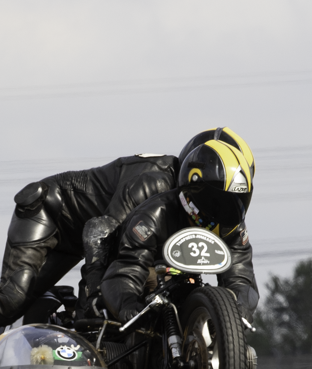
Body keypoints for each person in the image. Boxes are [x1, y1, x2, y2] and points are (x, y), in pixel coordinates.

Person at [0, 127, 254, 369]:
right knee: (14, 295)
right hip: (54, 213)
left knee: (18, 300)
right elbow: (101, 234)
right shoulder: (153, 186)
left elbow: (242, 282)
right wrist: (96, 298)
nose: (220, 211)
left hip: (86, 232)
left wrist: (229, 327)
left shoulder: (219, 214)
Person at [100, 138, 259, 326]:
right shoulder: (154, 216)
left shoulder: (234, 228)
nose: (226, 212)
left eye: (236, 201)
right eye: (218, 202)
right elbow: (127, 268)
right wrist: (129, 305)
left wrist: (237, 312)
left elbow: (242, 279)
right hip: (148, 279)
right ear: (194, 190)